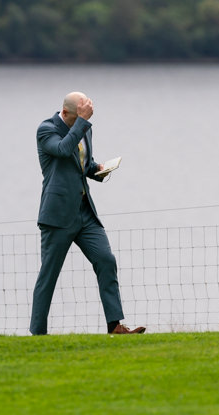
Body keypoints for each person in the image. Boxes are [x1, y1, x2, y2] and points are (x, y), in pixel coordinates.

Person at [30, 92, 146, 336]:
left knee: (106, 260)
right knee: (48, 276)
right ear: (66, 113)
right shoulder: (46, 130)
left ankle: (115, 326)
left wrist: (99, 169)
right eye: (80, 117)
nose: (84, 121)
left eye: (86, 118)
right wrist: (82, 122)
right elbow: (62, 150)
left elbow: (83, 163)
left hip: (85, 213)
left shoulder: (83, 128)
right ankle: (37, 334)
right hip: (57, 216)